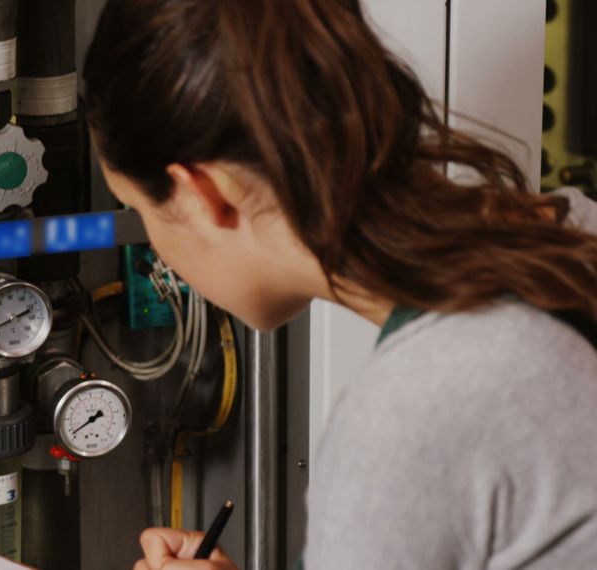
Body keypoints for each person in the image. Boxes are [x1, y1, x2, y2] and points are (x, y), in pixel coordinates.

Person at [82, 0, 597, 568]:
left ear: (205, 194)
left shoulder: (404, 423)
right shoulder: (569, 227)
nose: (159, 251)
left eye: (139, 210)